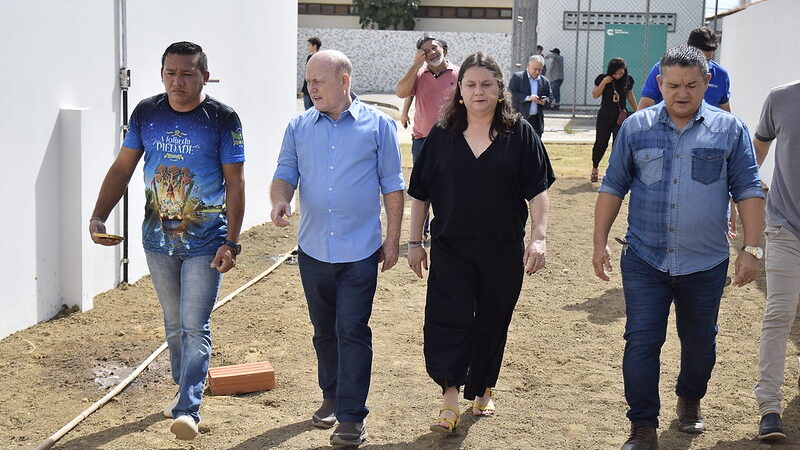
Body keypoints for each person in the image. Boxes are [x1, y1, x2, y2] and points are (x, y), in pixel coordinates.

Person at [592, 45, 764, 450]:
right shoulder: (637, 127)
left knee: (701, 340)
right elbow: (613, 186)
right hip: (644, 258)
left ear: (707, 83)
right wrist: (599, 243)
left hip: (705, 262)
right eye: (671, 85)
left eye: (690, 84)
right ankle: (642, 426)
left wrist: (751, 249)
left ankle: (690, 398)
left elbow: (748, 189)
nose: (680, 93)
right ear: (660, 83)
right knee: (642, 339)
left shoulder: (730, 129)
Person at [88, 41, 246, 441]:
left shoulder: (223, 119)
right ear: (161, 75)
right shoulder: (146, 112)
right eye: (171, 73)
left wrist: (232, 241)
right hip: (156, 240)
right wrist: (98, 216)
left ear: (204, 77)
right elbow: (123, 168)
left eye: (188, 73)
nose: (178, 81)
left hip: (206, 242)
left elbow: (235, 183)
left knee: (195, 324)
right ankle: (183, 389)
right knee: (174, 323)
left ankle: (188, 409)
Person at [407, 51, 554, 435]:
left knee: (491, 319)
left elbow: (538, 190)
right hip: (451, 246)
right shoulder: (441, 135)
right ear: (459, 91)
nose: (478, 91)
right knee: (447, 319)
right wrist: (413, 242)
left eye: (487, 84)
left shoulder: (519, 133)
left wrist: (539, 238)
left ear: (500, 89)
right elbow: (420, 194)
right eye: (470, 84)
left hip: (501, 247)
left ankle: (484, 386)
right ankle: (450, 399)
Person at [271, 49, 404, 447]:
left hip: (360, 252)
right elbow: (284, 174)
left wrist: (393, 239)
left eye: (318, 81)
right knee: (323, 333)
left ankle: (351, 416)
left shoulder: (379, 126)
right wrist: (280, 200)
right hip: (312, 252)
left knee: (352, 331)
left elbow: (392, 186)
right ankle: (330, 396)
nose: (310, 88)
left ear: (344, 82)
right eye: (308, 81)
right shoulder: (298, 127)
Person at [753, 80, 800, 442]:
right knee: (779, 313)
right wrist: (742, 194)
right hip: (785, 228)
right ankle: (769, 407)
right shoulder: (781, 98)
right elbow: (760, 146)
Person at [396, 36, 458, 242]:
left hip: (452, 139)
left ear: (444, 50)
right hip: (422, 139)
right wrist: (415, 65)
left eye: (434, 47)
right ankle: (421, 232)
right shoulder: (419, 74)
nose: (431, 52)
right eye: (425, 50)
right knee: (422, 187)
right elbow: (402, 92)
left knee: (450, 185)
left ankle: (446, 228)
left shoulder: (458, 73)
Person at [637, 27, 730, 112]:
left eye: (707, 61)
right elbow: (646, 102)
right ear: (687, 48)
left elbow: (725, 107)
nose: (703, 66)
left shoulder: (721, 75)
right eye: (698, 61)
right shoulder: (663, 69)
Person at [590, 57, 637, 182]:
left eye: (621, 73)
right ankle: (595, 167)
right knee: (601, 143)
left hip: (620, 117)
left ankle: (614, 172)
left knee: (618, 145)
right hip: (605, 116)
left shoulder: (627, 80)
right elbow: (595, 94)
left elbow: (630, 96)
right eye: (616, 73)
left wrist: (638, 111)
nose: (618, 75)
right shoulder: (603, 78)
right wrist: (604, 82)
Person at [509, 54, 551, 137]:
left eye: (540, 69)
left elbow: (550, 97)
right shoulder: (518, 77)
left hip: (536, 121)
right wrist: (527, 98)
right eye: (535, 69)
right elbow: (511, 93)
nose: (537, 72)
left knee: (535, 147)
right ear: (528, 66)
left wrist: (544, 101)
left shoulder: (544, 81)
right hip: (520, 119)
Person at [301, 37, 322, 110]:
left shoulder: (313, 57)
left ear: (314, 46)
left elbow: (307, 75)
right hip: (314, 89)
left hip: (310, 89)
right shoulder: (320, 57)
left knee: (311, 111)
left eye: (309, 44)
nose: (307, 46)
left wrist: (303, 90)